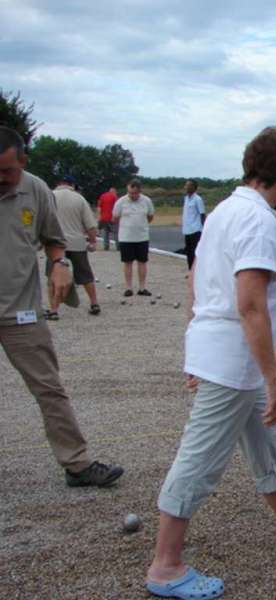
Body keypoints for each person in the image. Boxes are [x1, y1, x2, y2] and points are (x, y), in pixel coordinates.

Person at [146, 127, 276, 600]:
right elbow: (250, 304)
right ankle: (166, 565)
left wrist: (197, 350)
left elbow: (195, 282)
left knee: (266, 442)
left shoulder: (225, 211)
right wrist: (273, 380)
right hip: (234, 360)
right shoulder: (256, 220)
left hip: (222, 353)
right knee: (201, 457)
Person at [0, 126, 123, 487]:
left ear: (23, 161)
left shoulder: (35, 189)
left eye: (7, 171)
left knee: (49, 388)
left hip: (20, 311)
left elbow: (54, 242)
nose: (1, 178)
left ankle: (78, 464)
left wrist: (59, 265)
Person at [47, 175, 101, 318]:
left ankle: (54, 310)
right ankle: (94, 303)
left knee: (54, 276)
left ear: (59, 183)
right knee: (85, 275)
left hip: (56, 243)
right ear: (73, 185)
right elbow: (90, 224)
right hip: (77, 243)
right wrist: (93, 241)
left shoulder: (49, 196)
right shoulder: (79, 199)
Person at [112, 179, 155, 297]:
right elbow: (115, 218)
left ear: (139, 191)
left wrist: (142, 225)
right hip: (126, 237)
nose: (132, 195)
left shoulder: (146, 201)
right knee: (127, 262)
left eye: (135, 193)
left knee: (142, 262)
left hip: (142, 237)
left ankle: (142, 287)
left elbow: (150, 216)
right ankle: (128, 287)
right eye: (130, 193)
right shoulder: (121, 202)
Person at [181, 179, 205, 270]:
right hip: (187, 229)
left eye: (187, 185)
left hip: (195, 230)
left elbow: (202, 214)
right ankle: (190, 270)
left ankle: (197, 271)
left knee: (195, 252)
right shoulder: (186, 198)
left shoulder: (198, 199)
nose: (185, 187)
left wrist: (204, 229)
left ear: (193, 187)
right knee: (189, 252)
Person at [96, 186, 118, 250]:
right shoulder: (114, 197)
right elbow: (117, 208)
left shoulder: (102, 196)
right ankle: (118, 247)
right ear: (114, 191)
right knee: (116, 233)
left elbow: (99, 207)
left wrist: (99, 217)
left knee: (106, 233)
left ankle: (106, 247)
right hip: (112, 218)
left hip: (103, 218)